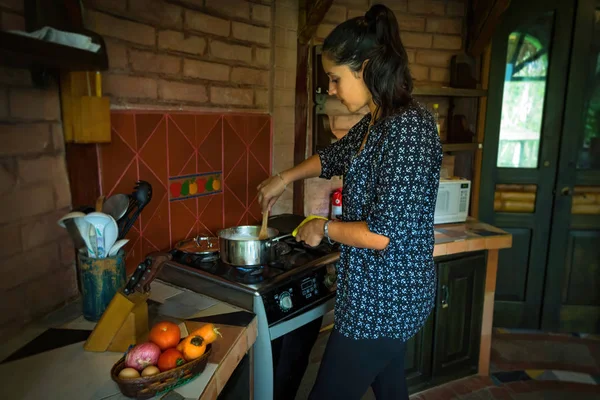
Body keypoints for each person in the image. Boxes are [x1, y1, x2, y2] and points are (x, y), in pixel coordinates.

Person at [257, 4, 442, 400]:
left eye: (336, 78)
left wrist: (321, 227)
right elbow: (333, 157)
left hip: (386, 302)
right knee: (391, 390)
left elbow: (382, 235)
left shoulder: (409, 128)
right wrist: (282, 178)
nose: (332, 90)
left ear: (367, 67)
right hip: (372, 294)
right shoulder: (378, 120)